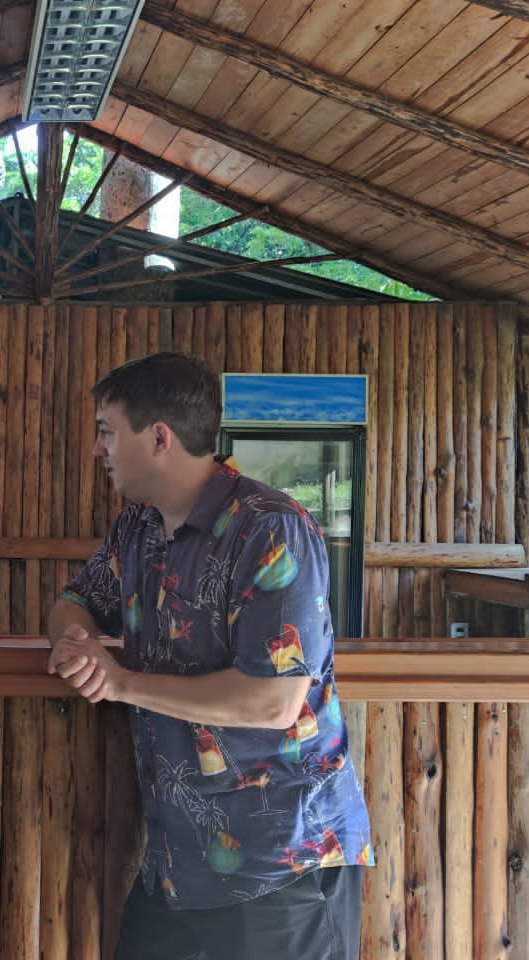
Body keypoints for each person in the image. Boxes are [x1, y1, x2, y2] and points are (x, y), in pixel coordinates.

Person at [47, 353, 372, 960]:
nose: (99, 448)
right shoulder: (137, 526)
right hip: (176, 863)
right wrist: (77, 642)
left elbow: (271, 699)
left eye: (107, 430)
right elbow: (74, 599)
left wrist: (119, 683)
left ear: (159, 438)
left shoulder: (271, 528)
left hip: (281, 863)